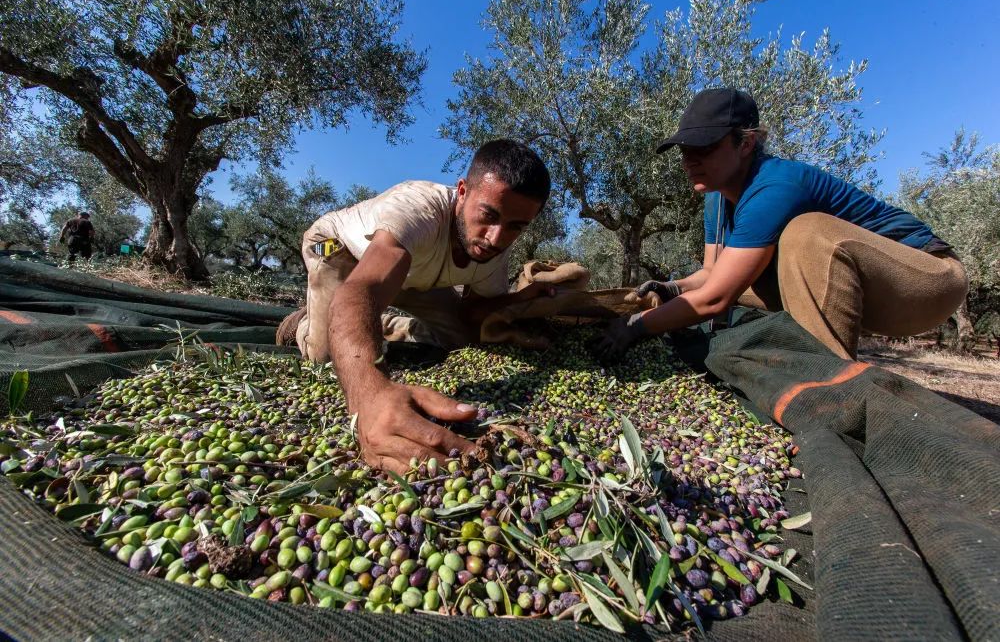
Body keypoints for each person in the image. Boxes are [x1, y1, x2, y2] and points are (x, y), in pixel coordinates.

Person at [597, 88, 968, 361]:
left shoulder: (774, 185)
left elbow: (715, 298)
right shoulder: (717, 196)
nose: (689, 161)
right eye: (685, 150)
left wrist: (637, 326)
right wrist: (672, 288)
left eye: (704, 147)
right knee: (749, 271)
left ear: (746, 143)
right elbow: (712, 276)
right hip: (858, 287)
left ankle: (829, 387)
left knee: (806, 233)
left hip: (928, 279)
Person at [279, 139, 554, 472]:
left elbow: (474, 314)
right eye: (489, 215)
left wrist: (521, 299)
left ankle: (379, 323)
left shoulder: (495, 250)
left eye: (515, 227)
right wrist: (370, 395)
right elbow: (360, 290)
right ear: (462, 192)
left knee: (461, 339)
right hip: (341, 251)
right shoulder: (418, 210)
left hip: (411, 275)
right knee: (325, 357)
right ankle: (304, 323)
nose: (495, 238)